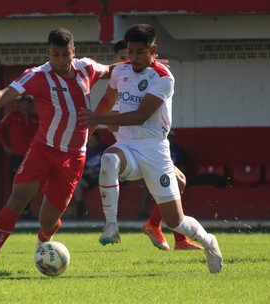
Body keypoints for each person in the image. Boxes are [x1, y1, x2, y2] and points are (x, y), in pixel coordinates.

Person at [0, 28, 111, 278]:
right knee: (18, 197)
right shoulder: (38, 76)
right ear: (48, 52)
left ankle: (43, 244)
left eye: (65, 54)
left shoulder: (86, 68)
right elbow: (3, 94)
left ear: (74, 52)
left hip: (73, 157)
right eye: (55, 54)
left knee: (48, 221)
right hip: (43, 149)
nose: (60, 60)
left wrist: (143, 64)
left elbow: (113, 70)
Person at [80, 24, 222, 273]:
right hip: (126, 145)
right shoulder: (120, 71)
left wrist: (99, 120)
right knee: (109, 160)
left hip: (154, 150)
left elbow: (140, 116)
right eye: (130, 52)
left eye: (139, 52)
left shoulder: (164, 78)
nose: (133, 58)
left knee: (175, 222)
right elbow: (106, 100)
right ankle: (111, 226)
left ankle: (210, 242)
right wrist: (88, 132)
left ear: (153, 50)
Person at [110, 39, 202, 251]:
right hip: (132, 150)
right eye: (124, 57)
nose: (130, 60)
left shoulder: (150, 77)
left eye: (135, 54)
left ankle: (166, 232)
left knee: (178, 180)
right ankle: (162, 230)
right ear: (116, 61)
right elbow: (112, 124)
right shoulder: (121, 86)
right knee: (176, 182)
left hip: (148, 145)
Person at [0, 95, 39, 219]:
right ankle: (14, 211)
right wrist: (5, 146)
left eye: (28, 103)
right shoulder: (12, 116)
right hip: (16, 155)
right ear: (18, 104)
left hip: (31, 156)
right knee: (15, 183)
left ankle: (27, 210)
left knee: (31, 183)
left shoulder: (35, 117)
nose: (25, 105)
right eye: (23, 103)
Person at [72, 130, 106, 219]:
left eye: (95, 141)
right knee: (77, 182)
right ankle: (80, 207)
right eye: (90, 141)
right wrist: (88, 172)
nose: (93, 143)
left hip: (103, 177)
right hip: (90, 179)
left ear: (98, 141)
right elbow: (76, 171)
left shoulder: (104, 149)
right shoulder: (83, 152)